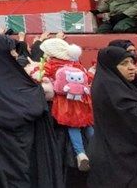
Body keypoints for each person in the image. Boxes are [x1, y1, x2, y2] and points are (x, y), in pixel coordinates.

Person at [0, 34, 62, 188]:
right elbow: (17, 108)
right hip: (13, 150)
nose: (15, 54)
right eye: (11, 51)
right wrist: (41, 92)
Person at [88, 46, 137, 188]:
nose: (131, 67)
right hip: (121, 163)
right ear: (111, 67)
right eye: (124, 63)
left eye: (131, 62)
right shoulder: (112, 90)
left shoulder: (113, 85)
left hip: (116, 156)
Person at [39, 38, 94, 172]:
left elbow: (41, 76)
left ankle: (80, 153)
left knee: (72, 126)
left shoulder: (51, 64)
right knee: (87, 124)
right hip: (82, 100)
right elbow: (88, 78)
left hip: (65, 102)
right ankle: (97, 146)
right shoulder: (76, 64)